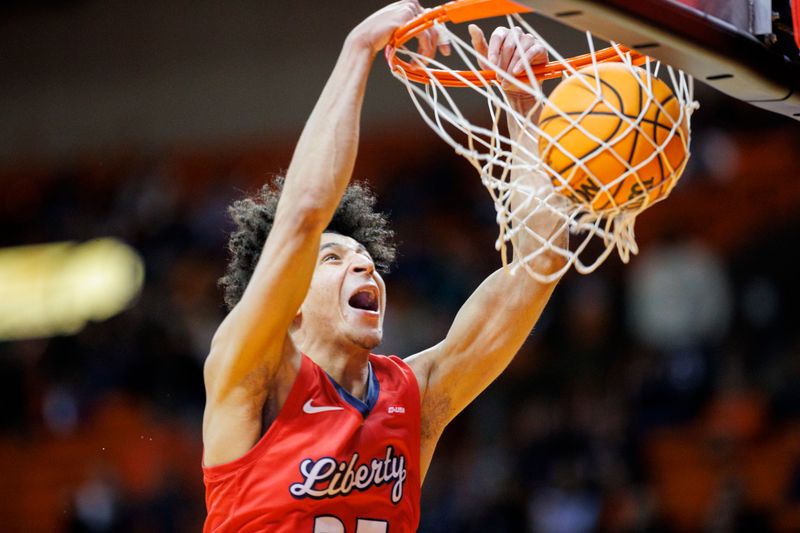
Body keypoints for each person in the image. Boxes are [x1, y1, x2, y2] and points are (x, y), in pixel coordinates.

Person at [201, 2, 565, 531]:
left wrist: (524, 111)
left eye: (367, 260)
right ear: (292, 299)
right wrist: (359, 47)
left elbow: (540, 266)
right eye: (334, 258)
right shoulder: (253, 370)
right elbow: (304, 215)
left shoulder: (413, 397)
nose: (363, 268)